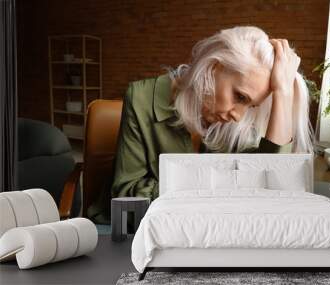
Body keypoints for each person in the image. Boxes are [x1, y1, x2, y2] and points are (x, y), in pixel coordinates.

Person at [87, 26, 315, 224]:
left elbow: (270, 190)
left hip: (205, 234)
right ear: (213, 68)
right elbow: (126, 200)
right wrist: (218, 185)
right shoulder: (141, 98)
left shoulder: (238, 124)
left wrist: (283, 93)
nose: (238, 116)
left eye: (251, 106)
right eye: (240, 97)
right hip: (130, 233)